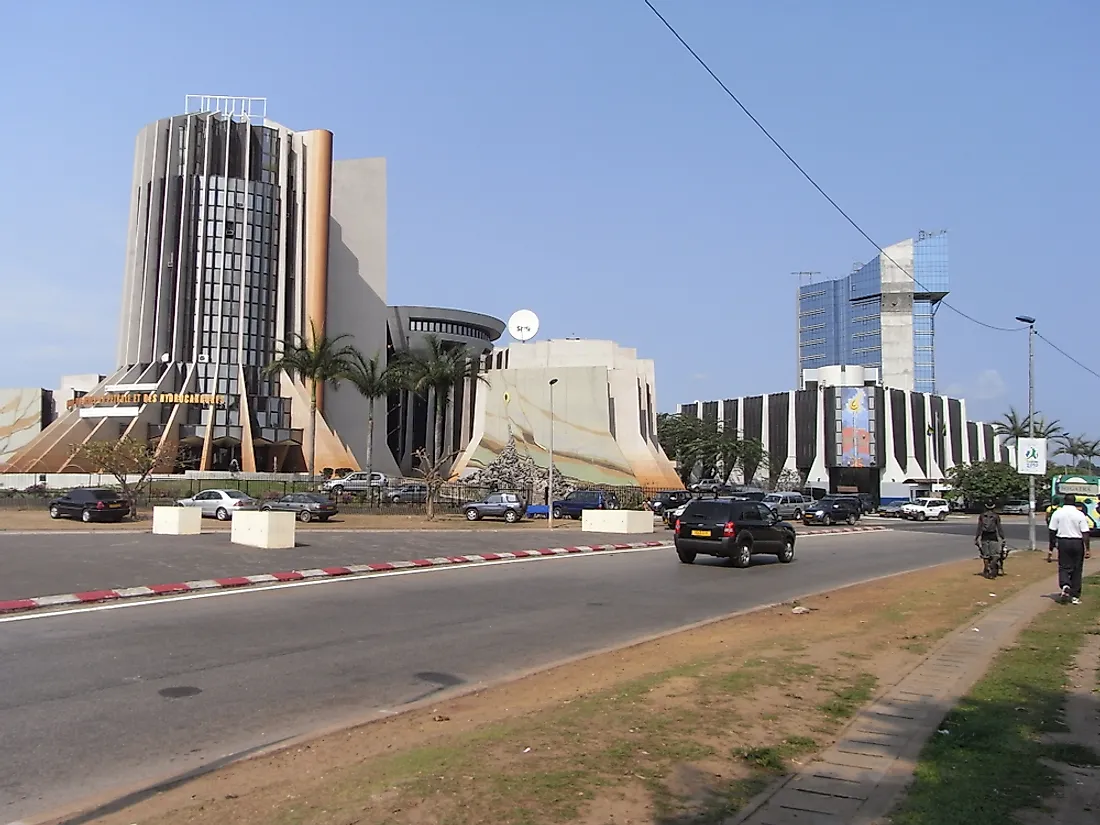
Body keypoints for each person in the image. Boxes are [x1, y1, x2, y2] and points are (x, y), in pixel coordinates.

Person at [1048, 493, 1091, 605]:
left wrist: (1051, 548)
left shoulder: (1058, 513)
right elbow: (1085, 532)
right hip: (1077, 542)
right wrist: (1087, 549)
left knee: (1063, 566)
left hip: (1063, 541)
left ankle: (1065, 584)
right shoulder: (1080, 514)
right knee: (1077, 568)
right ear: (1074, 502)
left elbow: (1052, 531)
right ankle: (1075, 596)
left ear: (1064, 501)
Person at [975, 502, 1006, 579]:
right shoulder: (996, 516)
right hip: (993, 536)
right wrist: (1003, 537)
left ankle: (986, 569)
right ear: (993, 507)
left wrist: (977, 537)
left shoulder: (982, 516)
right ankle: (993, 566)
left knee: (985, 555)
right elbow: (999, 528)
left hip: (984, 536)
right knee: (995, 555)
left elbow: (979, 528)